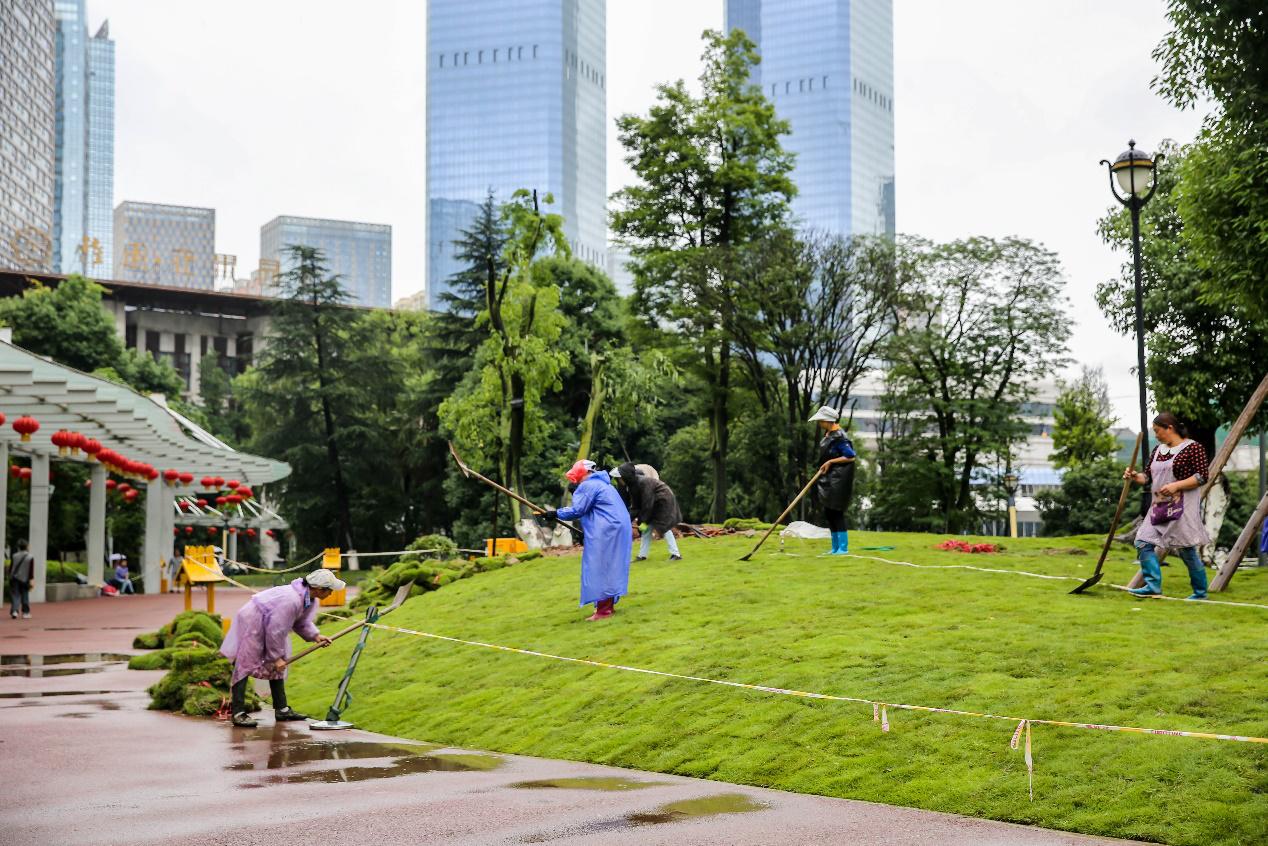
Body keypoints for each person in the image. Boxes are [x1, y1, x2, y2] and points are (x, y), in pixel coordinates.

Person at [220, 568, 342, 727]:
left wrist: (315, 636)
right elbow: (276, 630)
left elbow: (301, 623)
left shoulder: (308, 599)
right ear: (319, 589)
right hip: (253, 620)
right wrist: (275, 658)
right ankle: (238, 712)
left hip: (271, 623)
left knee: (279, 665)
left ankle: (282, 709)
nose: (331, 593)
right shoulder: (291, 600)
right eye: (330, 590)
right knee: (245, 663)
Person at [1124, 412, 1211, 599]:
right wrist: (1134, 477)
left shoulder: (1193, 448)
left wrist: (1176, 485)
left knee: (1186, 550)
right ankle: (1152, 585)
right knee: (1142, 541)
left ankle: (1200, 592)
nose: (1156, 435)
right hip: (1159, 505)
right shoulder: (1157, 450)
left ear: (1169, 428)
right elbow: (1146, 477)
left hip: (1182, 506)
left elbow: (1202, 476)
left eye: (1157, 431)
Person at [543, 460, 632, 621]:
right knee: (609, 566)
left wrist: (555, 513)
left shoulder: (588, 486)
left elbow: (578, 510)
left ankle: (603, 611)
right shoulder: (604, 484)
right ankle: (607, 607)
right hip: (617, 528)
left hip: (608, 530)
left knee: (600, 567)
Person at [809, 406, 857, 555]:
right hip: (829, 479)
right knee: (828, 512)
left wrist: (831, 462)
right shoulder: (829, 433)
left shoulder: (840, 437)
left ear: (827, 421)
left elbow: (850, 456)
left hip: (838, 480)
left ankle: (843, 548)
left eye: (820, 421)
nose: (819, 424)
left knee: (836, 512)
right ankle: (835, 547)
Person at [613, 463, 683, 562]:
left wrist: (643, 521)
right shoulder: (632, 486)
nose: (619, 480)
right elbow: (636, 506)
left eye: (619, 478)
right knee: (646, 530)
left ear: (626, 477)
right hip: (654, 503)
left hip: (663, 500)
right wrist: (627, 520)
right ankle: (642, 556)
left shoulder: (644, 482)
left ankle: (676, 554)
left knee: (664, 527)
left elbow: (647, 505)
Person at [8, 539, 33, 620]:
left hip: (14, 578)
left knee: (15, 595)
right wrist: (31, 580)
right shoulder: (30, 557)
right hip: (25, 579)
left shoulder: (14, 556)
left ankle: (14, 611)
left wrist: (10, 576)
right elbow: (31, 570)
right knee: (25, 595)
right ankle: (25, 612)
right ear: (26, 547)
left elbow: (11, 568)